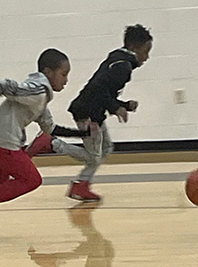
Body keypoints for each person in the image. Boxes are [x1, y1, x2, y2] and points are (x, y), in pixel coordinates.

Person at [0, 48, 92, 241]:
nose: (66, 80)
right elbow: (3, 85)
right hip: (1, 142)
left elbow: (49, 128)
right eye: (63, 74)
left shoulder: (41, 97)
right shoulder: (38, 91)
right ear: (48, 72)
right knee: (31, 179)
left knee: (1, 182)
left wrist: (82, 134)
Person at [28, 24, 153, 202]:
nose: (147, 57)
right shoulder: (123, 67)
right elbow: (99, 88)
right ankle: (52, 143)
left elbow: (104, 91)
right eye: (146, 51)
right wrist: (115, 107)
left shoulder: (119, 59)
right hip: (88, 112)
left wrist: (123, 104)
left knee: (106, 148)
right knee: (93, 156)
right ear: (134, 48)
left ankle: (82, 184)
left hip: (92, 109)